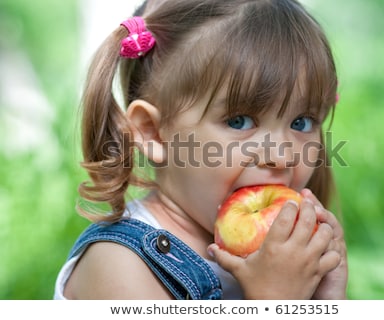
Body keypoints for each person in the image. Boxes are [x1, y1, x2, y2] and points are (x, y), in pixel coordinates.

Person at [54, 0, 348, 300]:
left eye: (301, 122)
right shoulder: (120, 265)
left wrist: (327, 301)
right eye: (239, 121)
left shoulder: (288, 254)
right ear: (153, 133)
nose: (282, 156)